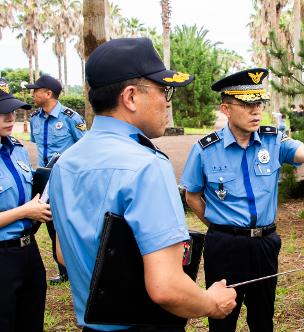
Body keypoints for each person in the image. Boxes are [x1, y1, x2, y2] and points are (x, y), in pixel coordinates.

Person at [48, 37, 237, 332]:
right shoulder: (147, 166)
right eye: (164, 90)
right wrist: (212, 302)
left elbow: (63, 253)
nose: (166, 101)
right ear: (131, 96)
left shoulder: (63, 165)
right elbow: (166, 287)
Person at [181, 68, 304, 332]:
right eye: (247, 104)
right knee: (221, 319)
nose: (256, 111)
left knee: (263, 317)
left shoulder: (273, 141)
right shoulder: (205, 149)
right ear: (226, 109)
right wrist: (218, 225)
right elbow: (192, 195)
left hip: (265, 244)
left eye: (259, 103)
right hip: (225, 247)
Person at [0, 78, 52, 331]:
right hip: (2, 255)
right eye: (1, 113)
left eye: (10, 111)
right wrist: (26, 211)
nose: (9, 117)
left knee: (31, 319)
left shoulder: (16, 149)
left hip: (28, 251)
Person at [27, 74, 86, 284]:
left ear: (48, 93)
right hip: (44, 178)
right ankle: (63, 270)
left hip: (66, 179)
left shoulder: (70, 118)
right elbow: (37, 144)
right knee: (48, 222)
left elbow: (84, 146)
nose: (32, 94)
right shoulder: (34, 118)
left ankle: (76, 265)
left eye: (36, 90)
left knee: (67, 222)